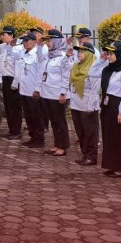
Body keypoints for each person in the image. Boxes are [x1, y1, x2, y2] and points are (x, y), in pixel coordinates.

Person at [91, 41, 121, 177]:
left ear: (120, 55)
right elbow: (91, 72)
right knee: (109, 136)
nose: (109, 56)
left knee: (119, 137)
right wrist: (101, 60)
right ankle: (112, 165)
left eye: (112, 54)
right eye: (109, 54)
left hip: (119, 105)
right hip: (107, 105)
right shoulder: (108, 70)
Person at [39, 29, 71, 157]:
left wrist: (63, 93)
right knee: (53, 121)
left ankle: (63, 147)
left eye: (50, 40)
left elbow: (66, 76)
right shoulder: (50, 55)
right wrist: (40, 45)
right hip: (48, 93)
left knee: (60, 121)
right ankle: (57, 144)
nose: (48, 43)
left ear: (57, 41)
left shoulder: (63, 57)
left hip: (57, 94)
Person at [69, 41, 100, 166]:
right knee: (80, 131)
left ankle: (91, 156)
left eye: (82, 51)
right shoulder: (76, 66)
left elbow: (94, 90)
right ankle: (85, 154)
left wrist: (90, 106)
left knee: (90, 132)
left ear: (89, 53)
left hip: (88, 106)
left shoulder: (94, 68)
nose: (79, 53)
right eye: (78, 51)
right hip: (76, 104)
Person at [14, 32, 46, 149]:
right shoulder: (24, 54)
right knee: (28, 116)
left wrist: (37, 89)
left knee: (36, 116)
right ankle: (32, 137)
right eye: (24, 41)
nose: (25, 43)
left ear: (34, 42)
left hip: (33, 91)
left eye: (27, 41)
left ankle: (39, 139)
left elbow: (40, 73)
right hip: (24, 90)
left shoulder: (38, 55)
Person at [0, 26, 23, 140]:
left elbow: (18, 67)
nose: (2, 36)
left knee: (15, 107)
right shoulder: (4, 47)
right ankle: (11, 130)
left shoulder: (17, 49)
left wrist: (15, 82)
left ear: (11, 35)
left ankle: (17, 131)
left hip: (13, 80)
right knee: (8, 107)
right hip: (6, 79)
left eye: (4, 35)